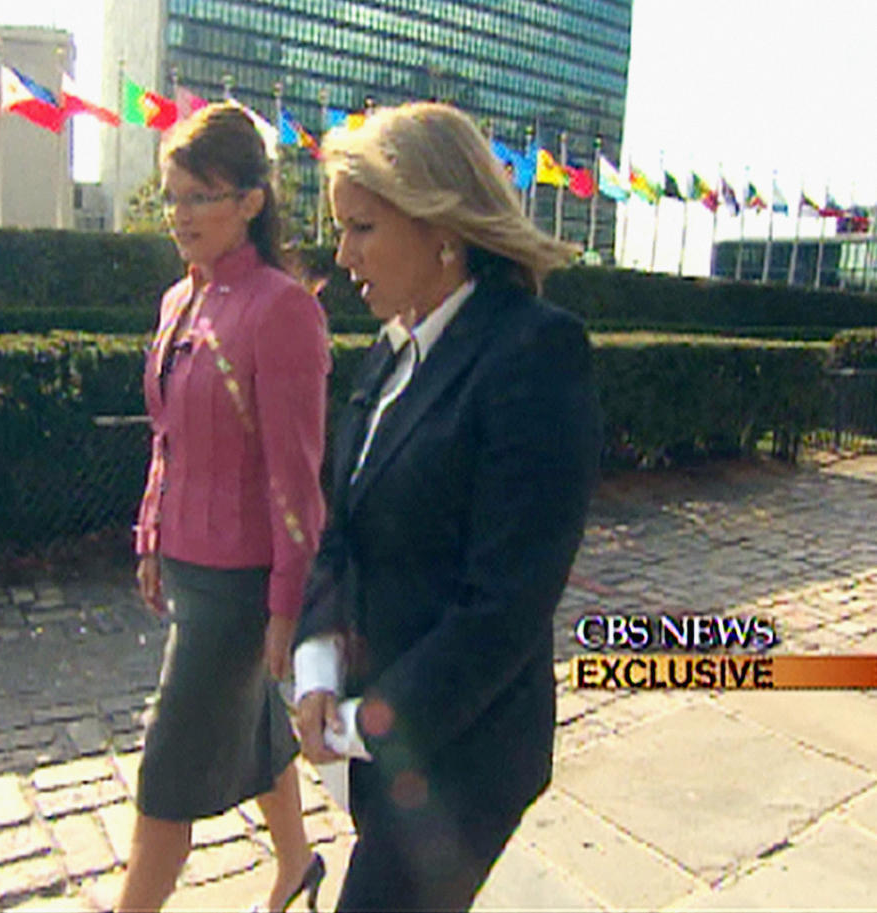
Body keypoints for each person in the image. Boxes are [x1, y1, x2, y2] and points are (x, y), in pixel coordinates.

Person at [293, 102, 603, 911]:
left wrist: (368, 724)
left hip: (464, 754)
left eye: (361, 227)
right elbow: (340, 527)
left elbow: (506, 601)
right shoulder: (392, 349)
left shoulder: (534, 351)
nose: (341, 253)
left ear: (440, 224)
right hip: (380, 740)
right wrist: (317, 662)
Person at [118, 103, 331, 913]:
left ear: (251, 200)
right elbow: (167, 433)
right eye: (172, 196)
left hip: (243, 581)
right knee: (252, 726)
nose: (180, 215)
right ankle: (296, 864)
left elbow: (296, 477)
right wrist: (150, 533)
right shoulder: (181, 300)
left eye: (200, 196)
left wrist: (286, 605)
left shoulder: (282, 308)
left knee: (168, 767)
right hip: (186, 560)